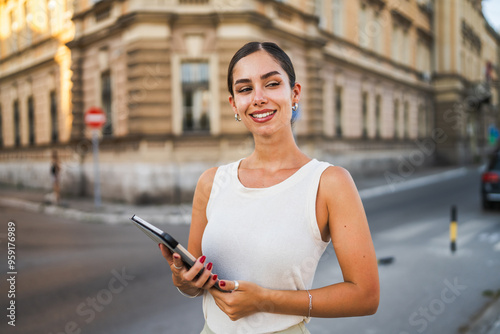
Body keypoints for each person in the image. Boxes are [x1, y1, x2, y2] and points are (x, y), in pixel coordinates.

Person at [160, 41, 379, 334]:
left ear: (294, 93)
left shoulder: (329, 183)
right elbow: (195, 287)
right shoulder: (212, 182)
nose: (258, 98)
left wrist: (266, 301)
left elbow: (365, 297)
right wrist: (182, 279)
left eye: (272, 84)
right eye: (245, 89)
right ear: (234, 104)